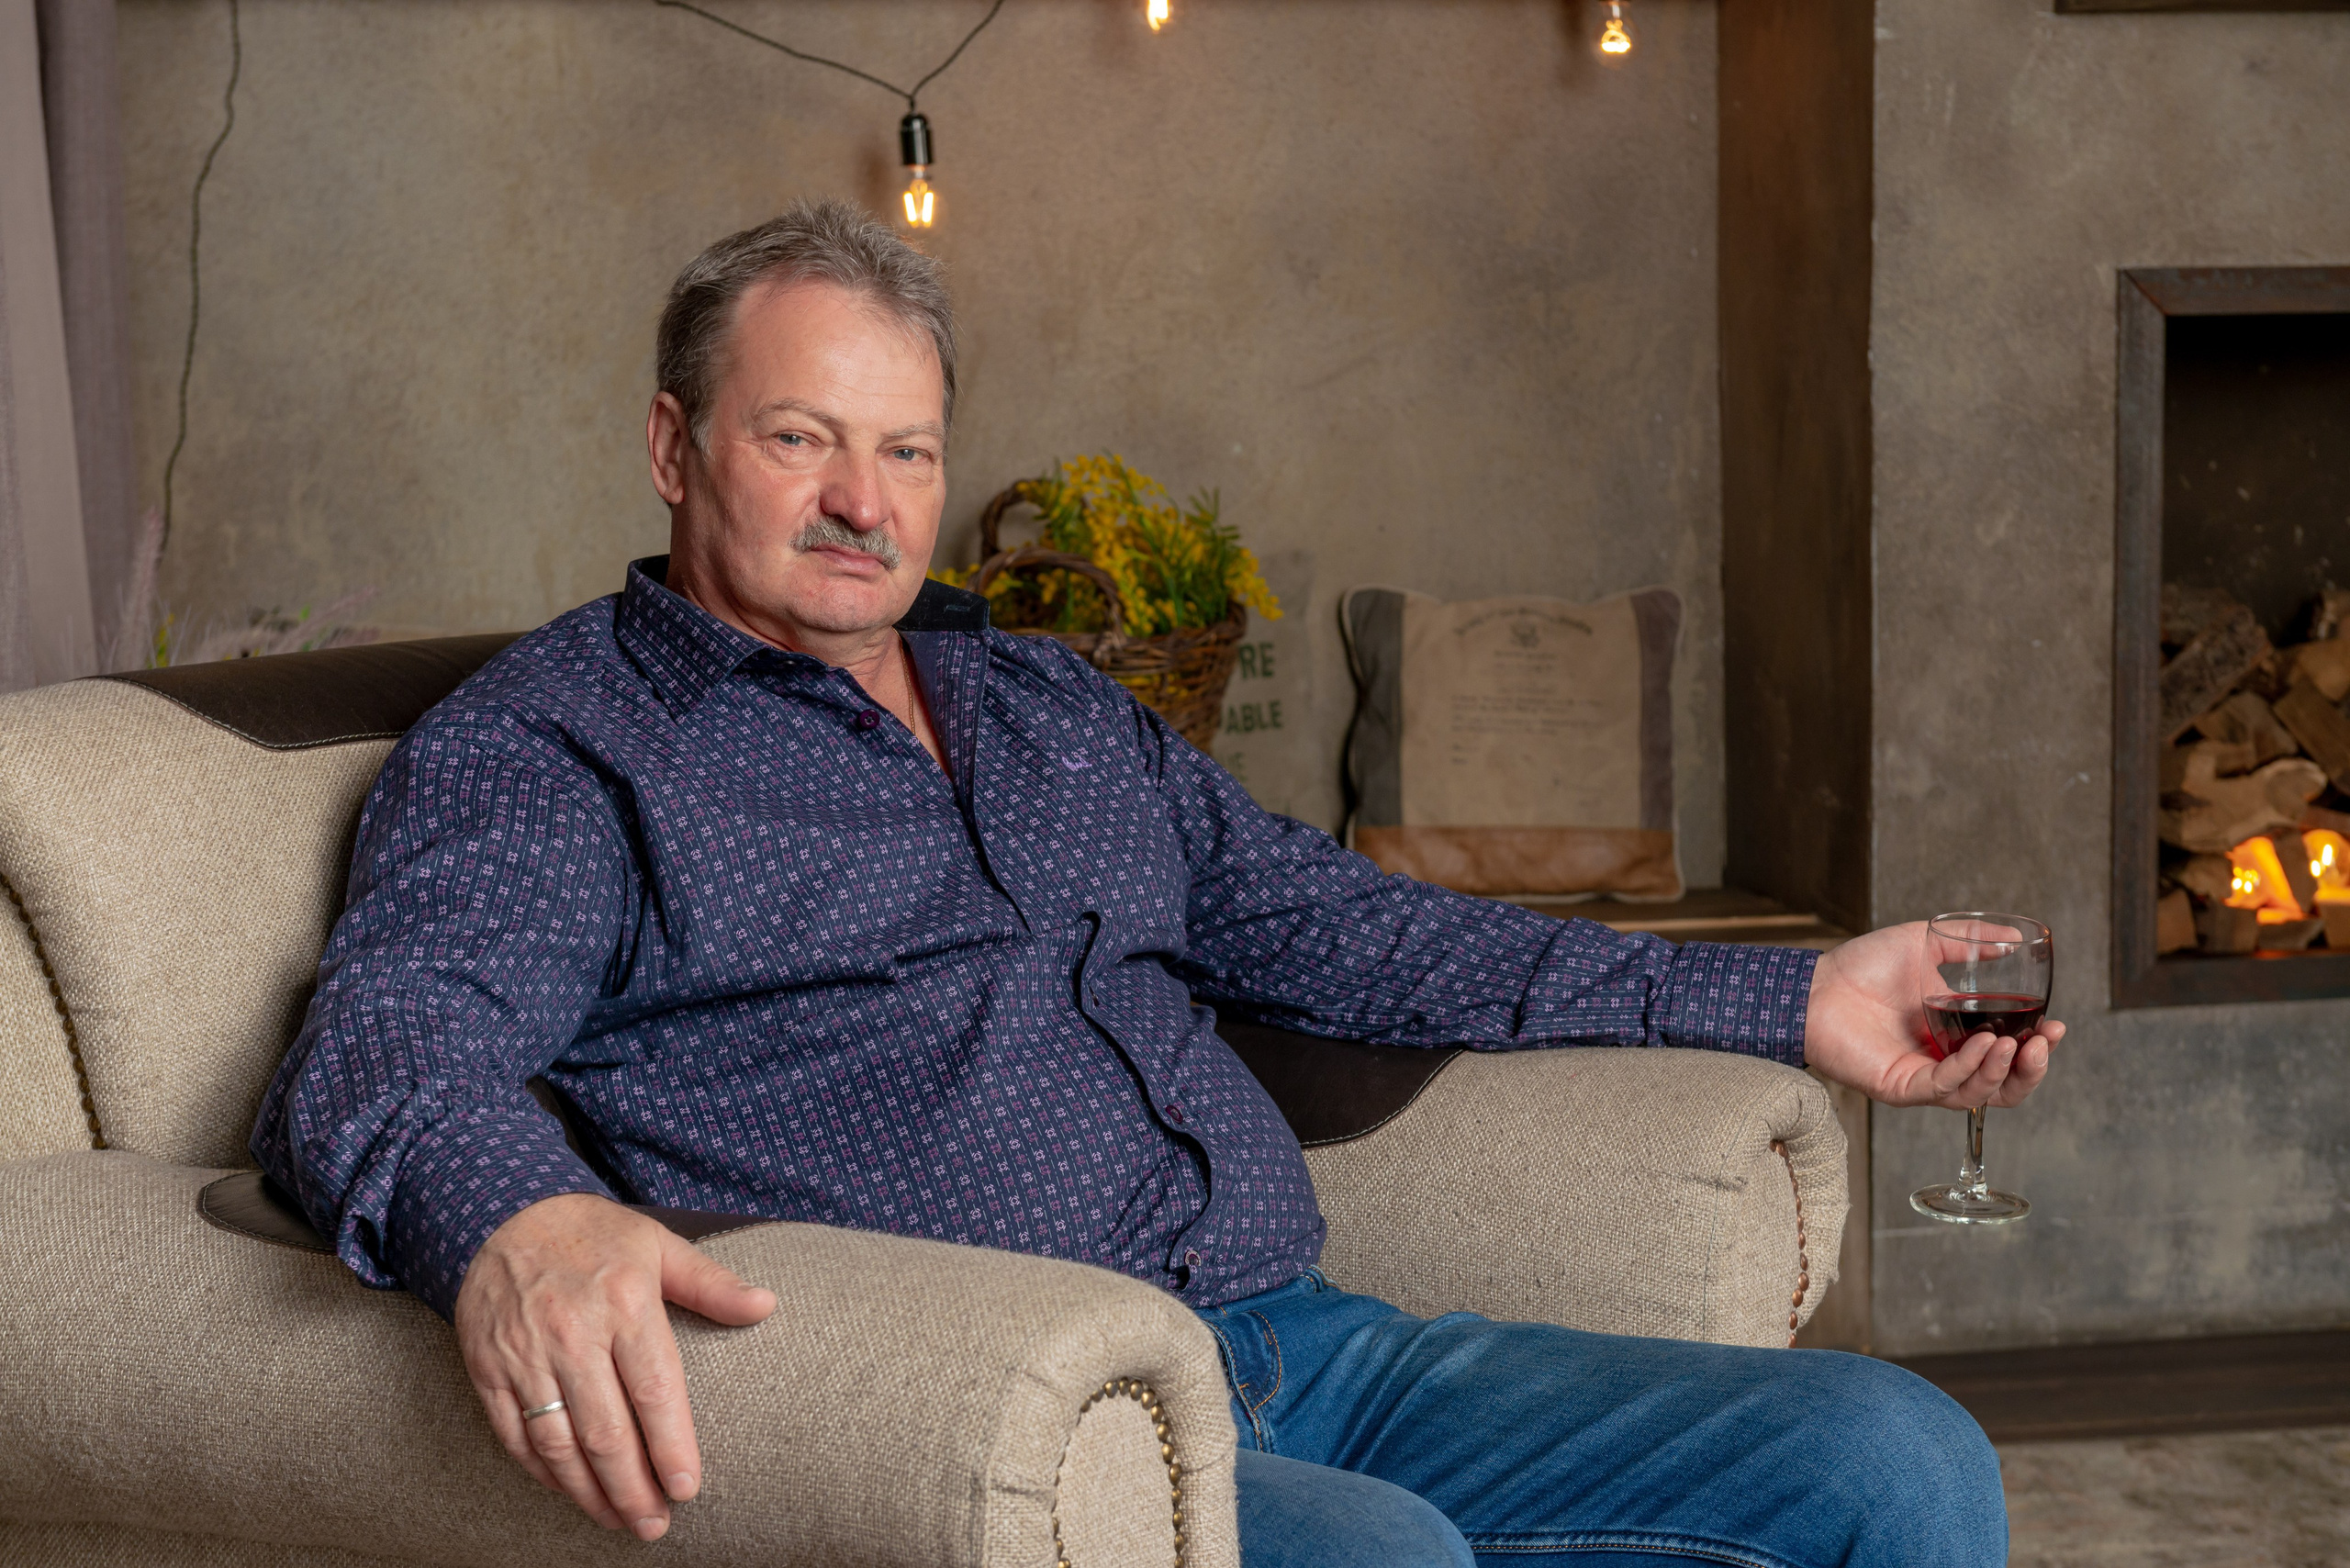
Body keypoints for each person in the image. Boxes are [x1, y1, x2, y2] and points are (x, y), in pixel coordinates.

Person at [255, 199, 2060, 1567]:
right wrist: (521, 1219)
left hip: (1311, 1347)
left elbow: (1355, 932)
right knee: (1384, 1559)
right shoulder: (562, 746)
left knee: (1889, 1454)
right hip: (1020, 1402)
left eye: (906, 451)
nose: (863, 502)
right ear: (673, 446)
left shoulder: (1042, 704)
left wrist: (1799, 993)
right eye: (798, 437)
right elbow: (394, 1037)